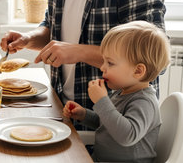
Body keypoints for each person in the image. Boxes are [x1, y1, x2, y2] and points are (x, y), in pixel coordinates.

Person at [0, 0, 166, 125]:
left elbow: (155, 63)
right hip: (65, 112)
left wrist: (77, 52)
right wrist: (28, 39)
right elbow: (53, 29)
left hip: (114, 129)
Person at [62, 21, 170, 162]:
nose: (102, 67)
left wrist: (102, 102)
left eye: (110, 63)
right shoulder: (121, 93)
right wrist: (84, 115)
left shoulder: (144, 102)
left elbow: (127, 135)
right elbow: (109, 125)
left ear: (138, 71)